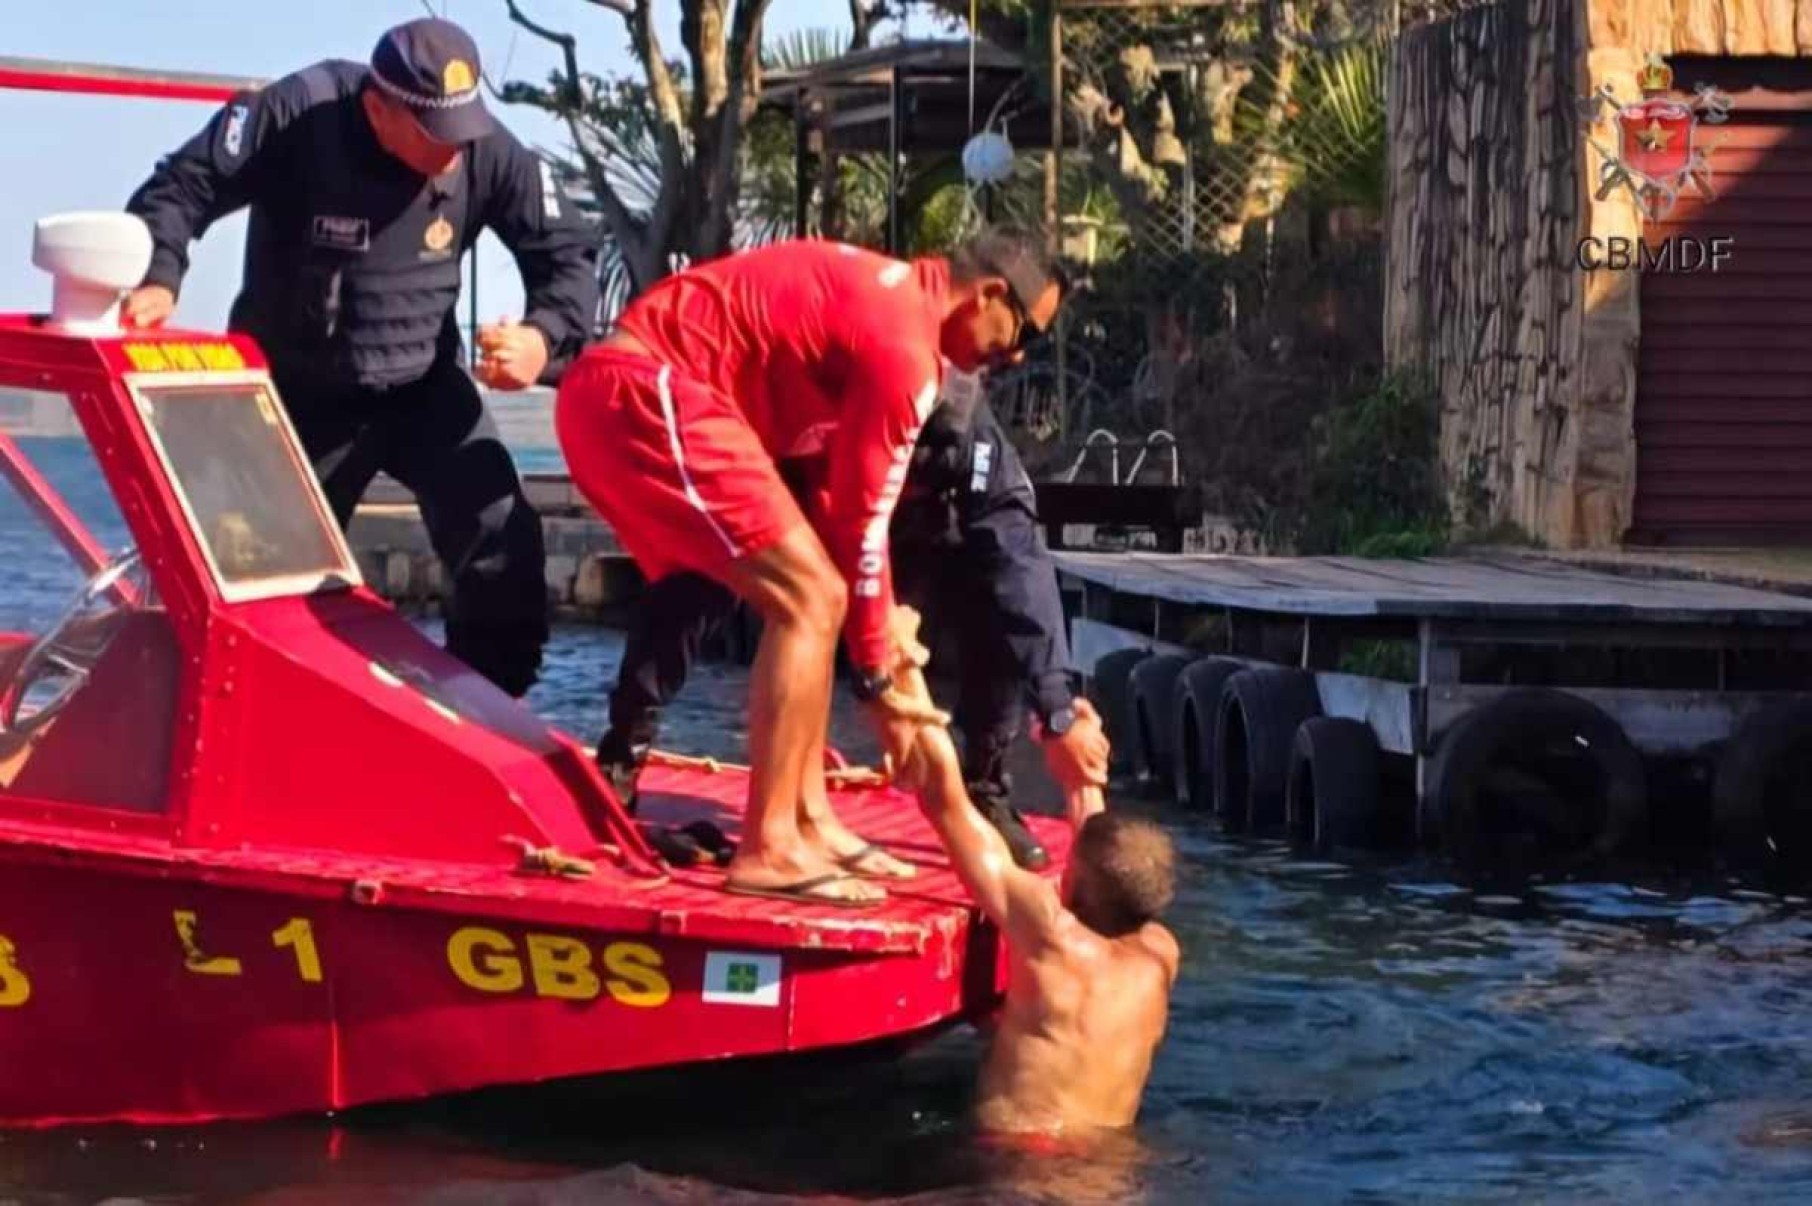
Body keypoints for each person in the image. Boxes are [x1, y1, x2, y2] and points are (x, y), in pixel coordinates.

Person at [555, 231, 1067, 907]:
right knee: (811, 596)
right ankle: (768, 846)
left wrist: (880, 637)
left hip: (649, 394)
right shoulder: (907, 349)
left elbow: (837, 516)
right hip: (641, 391)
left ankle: (804, 817)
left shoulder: (887, 303)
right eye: (1022, 332)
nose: (1018, 355)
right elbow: (866, 522)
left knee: (812, 592)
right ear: (990, 294)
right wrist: (880, 675)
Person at [121, 16, 600, 697]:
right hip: (301, 397)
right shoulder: (298, 113)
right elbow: (182, 185)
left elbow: (566, 253)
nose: (459, 149)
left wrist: (543, 335)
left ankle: (487, 720)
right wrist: (159, 274)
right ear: (380, 110)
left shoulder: (483, 149)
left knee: (503, 539)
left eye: (468, 128)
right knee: (265, 588)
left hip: (422, 384)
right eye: (441, 134)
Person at [594, 394, 1097, 873]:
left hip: (916, 530)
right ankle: (624, 753)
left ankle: (985, 786)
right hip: (815, 493)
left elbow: (1019, 566)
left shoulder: (972, 447)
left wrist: (1056, 710)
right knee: (712, 575)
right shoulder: (815, 415)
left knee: (996, 600)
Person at [878, 605, 1180, 1139]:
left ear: (1073, 886)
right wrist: (1079, 771)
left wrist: (903, 667)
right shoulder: (1160, 955)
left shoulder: (1051, 935)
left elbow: (946, 803)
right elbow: (1103, 857)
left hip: (1022, 1161)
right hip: (1111, 1172)